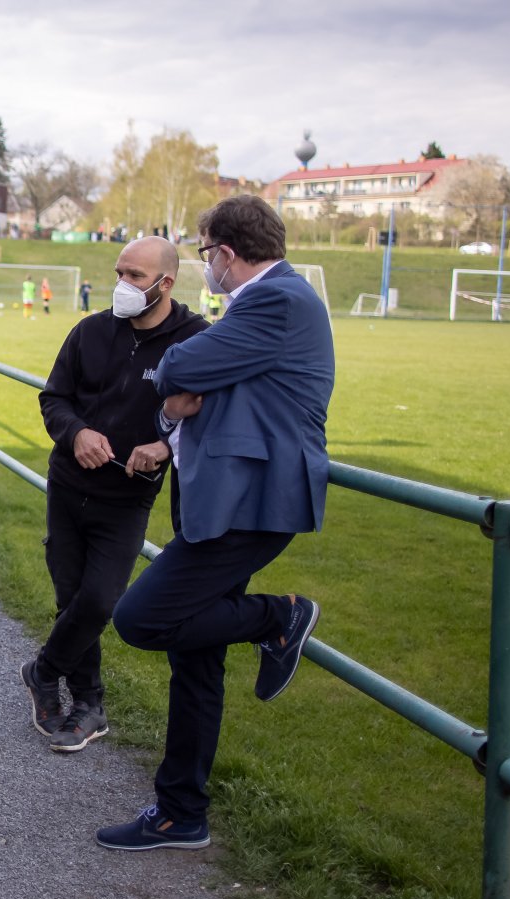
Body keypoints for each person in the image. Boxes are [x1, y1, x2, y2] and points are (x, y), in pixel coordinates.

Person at [100, 195, 332, 852]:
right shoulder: (263, 303)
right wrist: (177, 404)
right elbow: (187, 393)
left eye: (206, 253)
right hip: (227, 496)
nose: (207, 265)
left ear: (226, 252)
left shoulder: (274, 299)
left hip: (253, 502)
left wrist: (179, 385)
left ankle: (279, 617)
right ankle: (180, 813)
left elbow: (177, 365)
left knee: (141, 619)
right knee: (194, 656)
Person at [22, 239, 206, 752]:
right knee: (70, 599)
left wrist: (165, 445)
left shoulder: (196, 339)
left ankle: (43, 672)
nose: (122, 283)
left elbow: (210, 411)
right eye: (119, 272)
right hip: (67, 486)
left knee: (100, 601)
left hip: (127, 497)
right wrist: (76, 432)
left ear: (166, 283)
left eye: (135, 275)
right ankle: (89, 705)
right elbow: (54, 399)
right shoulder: (91, 330)